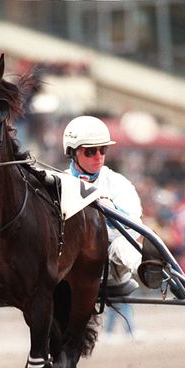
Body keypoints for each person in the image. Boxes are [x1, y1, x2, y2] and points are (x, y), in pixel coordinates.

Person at [63, 115, 144, 296]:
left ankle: (146, 271)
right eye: (90, 152)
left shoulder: (118, 183)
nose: (98, 157)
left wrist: (109, 212)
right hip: (70, 267)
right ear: (72, 152)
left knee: (122, 245)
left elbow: (133, 230)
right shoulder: (60, 183)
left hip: (111, 266)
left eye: (103, 150)